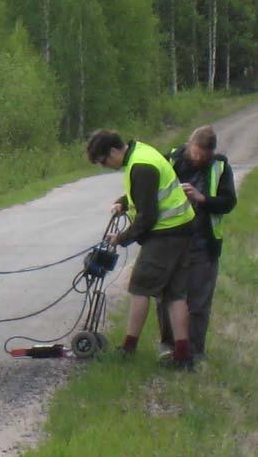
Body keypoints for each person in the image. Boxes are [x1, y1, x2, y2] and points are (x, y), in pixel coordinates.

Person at [86, 129, 196, 370]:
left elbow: (147, 217)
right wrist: (123, 203)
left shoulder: (141, 166)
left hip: (166, 234)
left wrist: (121, 238)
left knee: (139, 288)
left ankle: (127, 350)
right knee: (175, 294)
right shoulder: (141, 153)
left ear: (114, 150)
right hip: (181, 230)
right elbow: (145, 193)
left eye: (104, 160)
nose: (105, 166)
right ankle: (183, 356)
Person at [156, 126, 237, 361]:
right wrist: (123, 202)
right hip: (170, 241)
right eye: (196, 153)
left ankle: (194, 351)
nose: (200, 158)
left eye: (205, 155)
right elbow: (146, 187)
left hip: (203, 245)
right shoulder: (170, 160)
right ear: (189, 145)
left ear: (212, 152)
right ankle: (168, 346)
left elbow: (229, 202)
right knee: (166, 298)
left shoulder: (220, 166)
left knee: (199, 301)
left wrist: (202, 198)